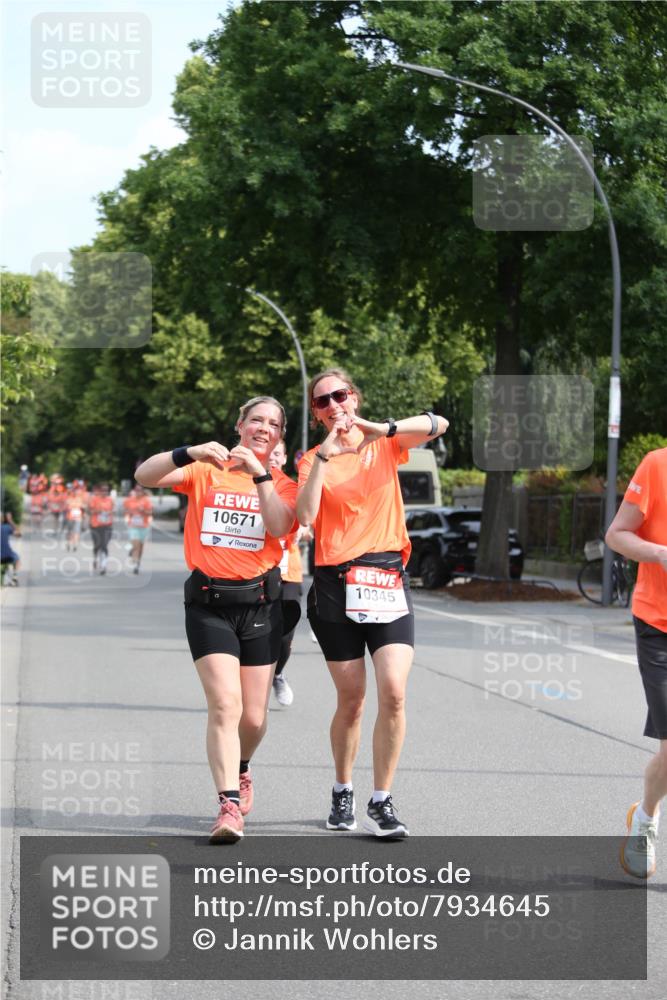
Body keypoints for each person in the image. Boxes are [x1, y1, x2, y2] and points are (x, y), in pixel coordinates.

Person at [135, 397, 297, 844]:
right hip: (209, 603)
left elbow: (282, 527)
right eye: (256, 420)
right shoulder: (207, 470)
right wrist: (189, 452)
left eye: (273, 424)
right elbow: (144, 476)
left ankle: (242, 768)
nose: (263, 428)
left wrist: (261, 473)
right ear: (240, 425)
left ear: (280, 436)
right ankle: (228, 805)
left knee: (254, 716)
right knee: (225, 705)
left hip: (261, 606)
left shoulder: (283, 483)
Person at [296, 367, 448, 838]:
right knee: (353, 700)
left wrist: (379, 429)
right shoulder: (311, 459)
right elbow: (304, 515)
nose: (333, 405)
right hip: (334, 584)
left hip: (385, 578)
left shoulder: (385, 443)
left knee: (395, 693)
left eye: (339, 395)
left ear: (354, 398)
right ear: (316, 414)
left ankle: (381, 799)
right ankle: (343, 791)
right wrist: (324, 455)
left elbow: (439, 423)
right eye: (322, 401)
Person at [606, 446, 667, 879]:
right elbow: (618, 534)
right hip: (659, 620)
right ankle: (646, 819)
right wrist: (660, 553)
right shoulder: (658, 464)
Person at [268, 440, 308, 707]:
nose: (272, 457)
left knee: (285, 635)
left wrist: (304, 529)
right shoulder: (245, 483)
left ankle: (278, 674)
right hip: (257, 571)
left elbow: (306, 519)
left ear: (284, 459)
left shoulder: (292, 489)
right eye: (269, 453)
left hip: (289, 572)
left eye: (278, 454)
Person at [123, 484, 153, 574]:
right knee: (135, 543)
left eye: (140, 490)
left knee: (141, 546)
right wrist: (130, 513)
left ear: (142, 491)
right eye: (136, 490)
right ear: (134, 491)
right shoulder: (129, 500)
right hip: (133, 526)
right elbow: (125, 510)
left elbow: (150, 512)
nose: (138, 492)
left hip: (144, 526)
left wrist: (143, 511)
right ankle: (134, 559)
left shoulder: (146, 501)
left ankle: (137, 563)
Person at [88, 484, 114, 574]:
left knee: (104, 546)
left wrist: (108, 512)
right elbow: (90, 511)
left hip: (107, 526)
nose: (104, 492)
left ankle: (103, 566)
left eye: (106, 490)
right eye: (102, 490)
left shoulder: (110, 500)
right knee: (97, 546)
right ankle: (95, 558)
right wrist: (97, 511)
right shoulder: (94, 499)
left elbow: (112, 510)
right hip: (96, 525)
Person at [1, 512, 20, 585]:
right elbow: (18, 534)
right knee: (17, 559)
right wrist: (10, 521)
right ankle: (14, 576)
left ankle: (6, 575)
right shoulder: (6, 527)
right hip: (8, 555)